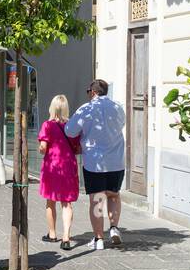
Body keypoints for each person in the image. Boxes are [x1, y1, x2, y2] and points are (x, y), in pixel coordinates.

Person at [64, 79, 127, 251]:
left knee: (97, 200)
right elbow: (122, 124)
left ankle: (99, 238)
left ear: (92, 92)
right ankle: (114, 228)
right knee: (114, 195)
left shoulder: (86, 109)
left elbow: (69, 130)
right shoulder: (117, 107)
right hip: (116, 160)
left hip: (94, 162)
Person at [38, 94, 82, 249]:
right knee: (66, 203)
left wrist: (42, 149)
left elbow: (43, 147)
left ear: (52, 108)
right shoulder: (71, 126)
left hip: (52, 166)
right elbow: (77, 148)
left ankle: (52, 234)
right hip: (68, 166)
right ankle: (66, 237)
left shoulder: (47, 125)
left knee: (50, 201)